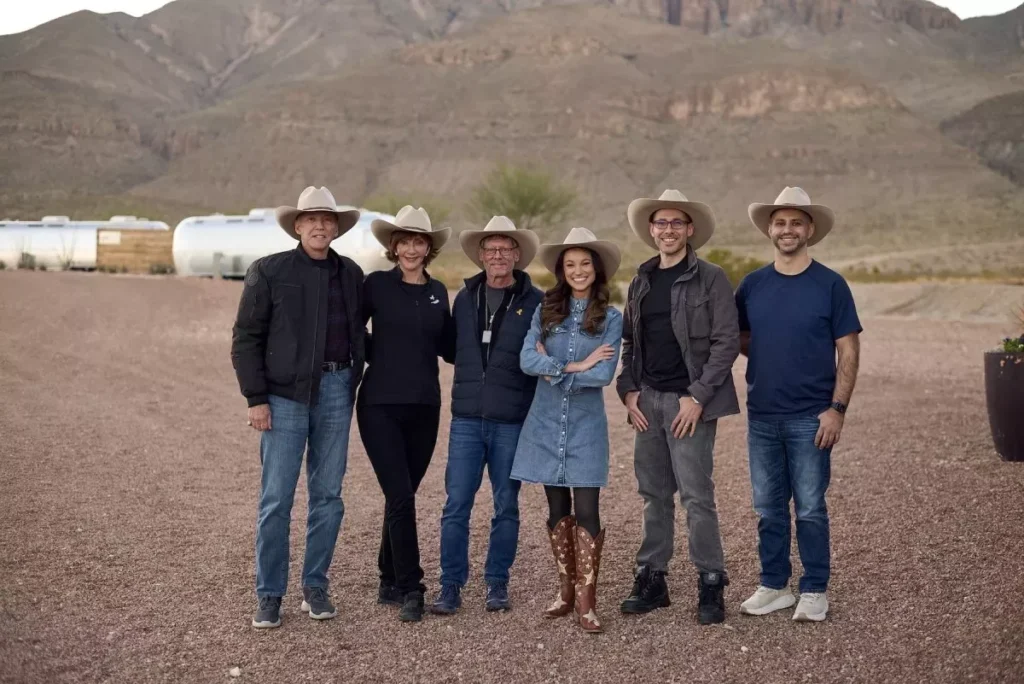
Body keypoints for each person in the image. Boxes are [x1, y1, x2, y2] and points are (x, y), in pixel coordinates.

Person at [230, 186, 366, 629]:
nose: (320, 226)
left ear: (336, 227)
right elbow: (246, 337)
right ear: (297, 226)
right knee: (276, 499)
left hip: (337, 389)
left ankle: (315, 586)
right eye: (311, 219)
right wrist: (256, 398)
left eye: (328, 220)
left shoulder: (350, 273)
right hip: (284, 397)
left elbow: (362, 331)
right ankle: (269, 594)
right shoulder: (269, 271)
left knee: (328, 496)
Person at [736, 187, 862, 623]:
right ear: (770, 229)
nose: (787, 229)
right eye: (780, 222)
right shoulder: (752, 284)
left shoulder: (830, 284)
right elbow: (742, 339)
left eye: (796, 222)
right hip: (762, 416)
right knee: (768, 508)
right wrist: (777, 357)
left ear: (810, 230)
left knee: (809, 507)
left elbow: (848, 349)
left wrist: (837, 409)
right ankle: (774, 586)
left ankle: (813, 589)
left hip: (812, 417)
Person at [615, 189, 741, 625]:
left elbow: (727, 342)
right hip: (647, 401)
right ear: (651, 231)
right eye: (660, 223)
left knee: (696, 495)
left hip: (690, 403)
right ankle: (653, 578)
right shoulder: (640, 280)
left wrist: (699, 396)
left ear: (689, 230)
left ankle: (711, 580)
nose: (667, 230)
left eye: (675, 223)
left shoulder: (711, 278)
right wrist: (627, 390)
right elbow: (630, 342)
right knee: (653, 494)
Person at [429, 216, 543, 615]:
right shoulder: (464, 298)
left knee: (506, 504)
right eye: (490, 250)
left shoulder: (535, 302)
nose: (497, 256)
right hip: (465, 419)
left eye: (504, 250)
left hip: (511, 420)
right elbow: (450, 349)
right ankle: (450, 585)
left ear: (517, 255)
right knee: (456, 503)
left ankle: (497, 583)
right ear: (480, 256)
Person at [512, 227, 623, 634]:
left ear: (597, 270)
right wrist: (573, 367)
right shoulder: (546, 312)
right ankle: (565, 592)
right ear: (562, 270)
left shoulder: (611, 318)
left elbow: (605, 373)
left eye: (585, 264)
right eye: (570, 265)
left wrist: (554, 371)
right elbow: (527, 359)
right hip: (544, 424)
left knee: (588, 510)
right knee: (556, 510)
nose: (578, 271)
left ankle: (588, 601)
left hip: (586, 427)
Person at [357, 206, 454, 623]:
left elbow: (450, 347)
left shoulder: (439, 292)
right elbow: (349, 328)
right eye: (404, 241)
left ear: (427, 248)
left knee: (402, 496)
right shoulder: (375, 285)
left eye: (419, 241)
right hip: (379, 404)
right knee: (400, 496)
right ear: (392, 247)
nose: (411, 248)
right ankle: (411, 586)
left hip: (425, 406)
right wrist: (372, 353)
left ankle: (386, 576)